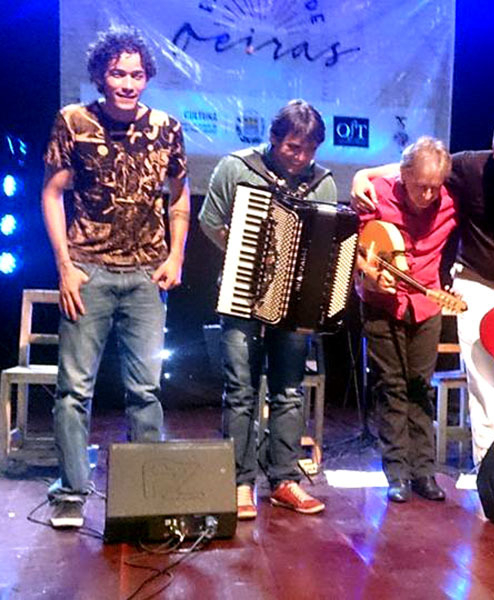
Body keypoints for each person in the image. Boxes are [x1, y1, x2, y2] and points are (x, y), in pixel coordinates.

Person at [352, 114, 494, 467]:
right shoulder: (470, 166)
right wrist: (363, 175)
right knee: (483, 385)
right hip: (475, 281)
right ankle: (490, 469)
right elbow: (417, 168)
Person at [41, 26, 190, 528]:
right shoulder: (74, 121)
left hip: (147, 275)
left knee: (146, 390)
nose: (128, 83)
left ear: (147, 77)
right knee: (73, 391)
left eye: (136, 74)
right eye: (118, 73)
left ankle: (144, 492)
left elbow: (179, 195)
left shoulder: (167, 127)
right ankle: (71, 492)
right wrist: (65, 266)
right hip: (89, 271)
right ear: (101, 75)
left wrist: (176, 256)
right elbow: (52, 193)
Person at [199, 100, 334, 519]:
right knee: (241, 389)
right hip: (242, 294)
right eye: (293, 147)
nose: (301, 157)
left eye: (309, 149)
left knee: (289, 390)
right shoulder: (237, 167)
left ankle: (284, 480)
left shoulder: (323, 183)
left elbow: (328, 241)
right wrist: (242, 254)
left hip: (294, 302)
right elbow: (209, 220)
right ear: (274, 138)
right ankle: (239, 482)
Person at [356, 136, 456, 502]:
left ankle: (424, 471)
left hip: (425, 305)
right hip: (381, 305)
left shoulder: (450, 201)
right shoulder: (377, 195)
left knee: (420, 387)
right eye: (420, 186)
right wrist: (370, 273)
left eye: (434, 187)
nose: (428, 195)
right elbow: (355, 247)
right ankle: (397, 473)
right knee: (391, 386)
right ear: (404, 175)